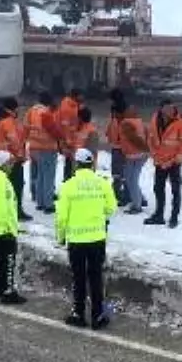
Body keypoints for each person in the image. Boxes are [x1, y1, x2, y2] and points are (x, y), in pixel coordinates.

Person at [55, 148, 117, 329]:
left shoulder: (68, 186)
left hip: (76, 240)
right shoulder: (103, 184)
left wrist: (61, 237)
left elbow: (61, 217)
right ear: (92, 164)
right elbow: (111, 208)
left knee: (78, 277)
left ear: (76, 164)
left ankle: (78, 313)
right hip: (97, 238)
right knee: (96, 277)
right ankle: (98, 315)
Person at [0, 150, 26, 305]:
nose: (12, 165)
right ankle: (8, 292)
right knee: (8, 261)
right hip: (5, 229)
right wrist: (10, 228)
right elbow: (5, 207)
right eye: (10, 162)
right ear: (3, 164)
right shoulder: (3, 181)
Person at [146, 100, 182, 228]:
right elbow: (151, 139)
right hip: (160, 161)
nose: (170, 111)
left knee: (175, 190)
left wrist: (173, 161)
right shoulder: (155, 119)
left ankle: (174, 217)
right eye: (167, 109)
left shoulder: (180, 123)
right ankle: (159, 215)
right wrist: (154, 155)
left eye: (172, 108)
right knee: (158, 188)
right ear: (161, 109)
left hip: (174, 162)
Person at [0, 97, 32, 221]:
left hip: (1, 159)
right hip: (12, 159)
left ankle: (3, 210)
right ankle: (16, 211)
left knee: (4, 186)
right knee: (17, 186)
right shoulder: (8, 121)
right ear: (14, 108)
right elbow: (14, 140)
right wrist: (20, 155)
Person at [24, 91, 62, 213]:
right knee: (48, 177)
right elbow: (54, 131)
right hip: (48, 147)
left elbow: (25, 127)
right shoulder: (47, 113)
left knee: (40, 175)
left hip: (34, 146)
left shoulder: (31, 111)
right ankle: (48, 204)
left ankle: (40, 201)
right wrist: (62, 138)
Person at [116, 105, 149, 215]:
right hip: (139, 155)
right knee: (131, 178)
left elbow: (135, 139)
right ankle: (140, 199)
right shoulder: (139, 122)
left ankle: (137, 205)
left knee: (131, 180)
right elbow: (146, 134)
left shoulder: (126, 124)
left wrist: (146, 148)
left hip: (134, 156)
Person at [57, 88, 84, 182]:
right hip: (69, 140)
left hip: (71, 139)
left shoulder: (73, 105)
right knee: (70, 162)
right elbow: (65, 125)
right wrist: (68, 141)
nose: (83, 97)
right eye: (81, 95)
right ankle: (68, 181)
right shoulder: (67, 107)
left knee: (70, 162)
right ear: (75, 96)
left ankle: (69, 179)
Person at [65, 107, 100, 177]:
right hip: (76, 164)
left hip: (85, 166)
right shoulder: (78, 129)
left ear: (81, 118)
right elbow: (75, 144)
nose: (77, 119)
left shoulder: (92, 131)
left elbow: (91, 151)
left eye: (78, 117)